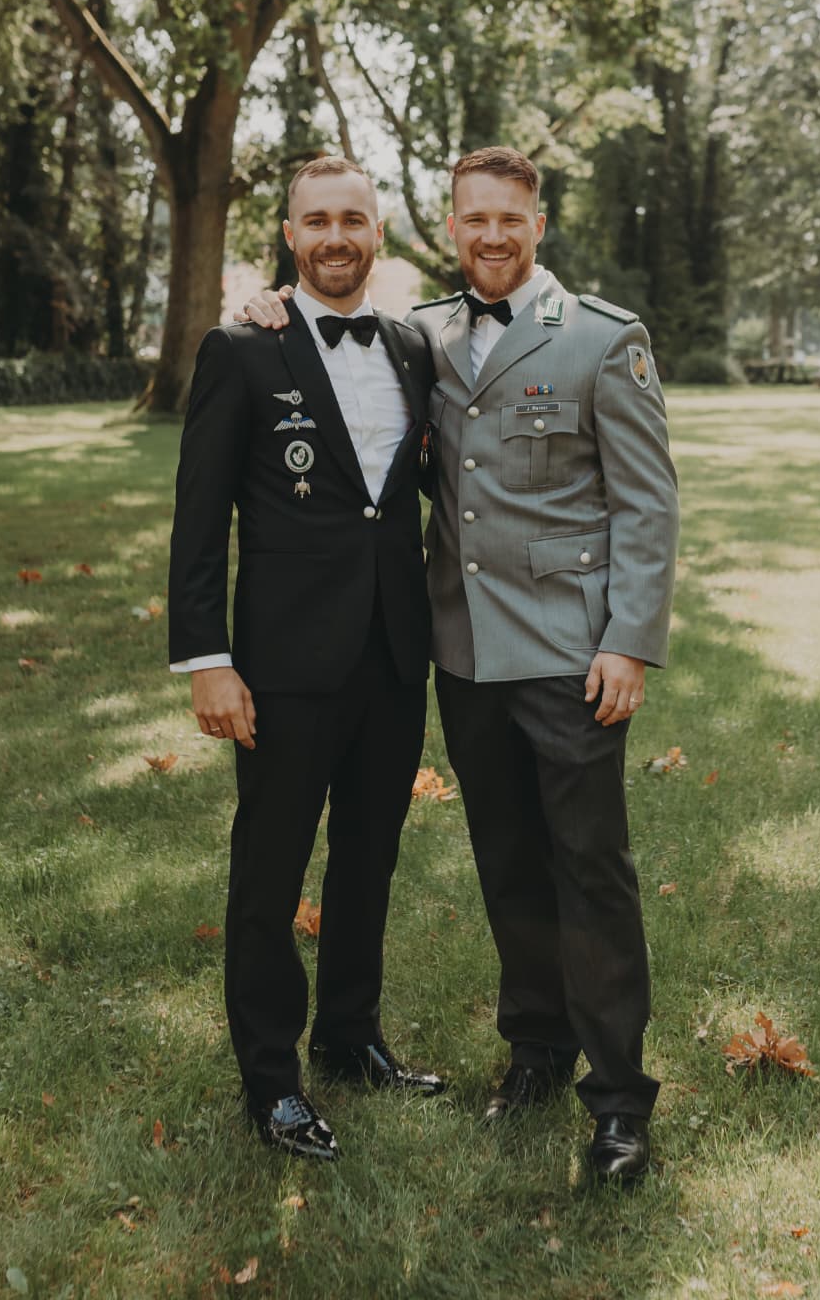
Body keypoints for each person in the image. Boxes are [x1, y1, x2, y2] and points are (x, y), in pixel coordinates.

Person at [241, 145, 679, 1184]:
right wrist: (263, 303)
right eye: (471, 219)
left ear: (537, 223)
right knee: (508, 861)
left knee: (591, 871)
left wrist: (627, 640)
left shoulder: (603, 342)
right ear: (448, 226)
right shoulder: (423, 336)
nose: (489, 236)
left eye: (507, 220)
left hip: (573, 655)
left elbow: (648, 504)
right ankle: (536, 1048)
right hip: (465, 654)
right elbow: (322, 342)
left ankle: (618, 1100)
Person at [168, 156, 444, 1165]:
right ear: (289, 234)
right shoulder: (242, 347)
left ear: (378, 233)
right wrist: (206, 658)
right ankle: (272, 1079)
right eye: (316, 220)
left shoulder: (414, 346)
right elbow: (198, 521)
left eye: (354, 220)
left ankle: (351, 1034)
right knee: (270, 868)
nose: (336, 236)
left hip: (390, 650)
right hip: (281, 661)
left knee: (369, 855)